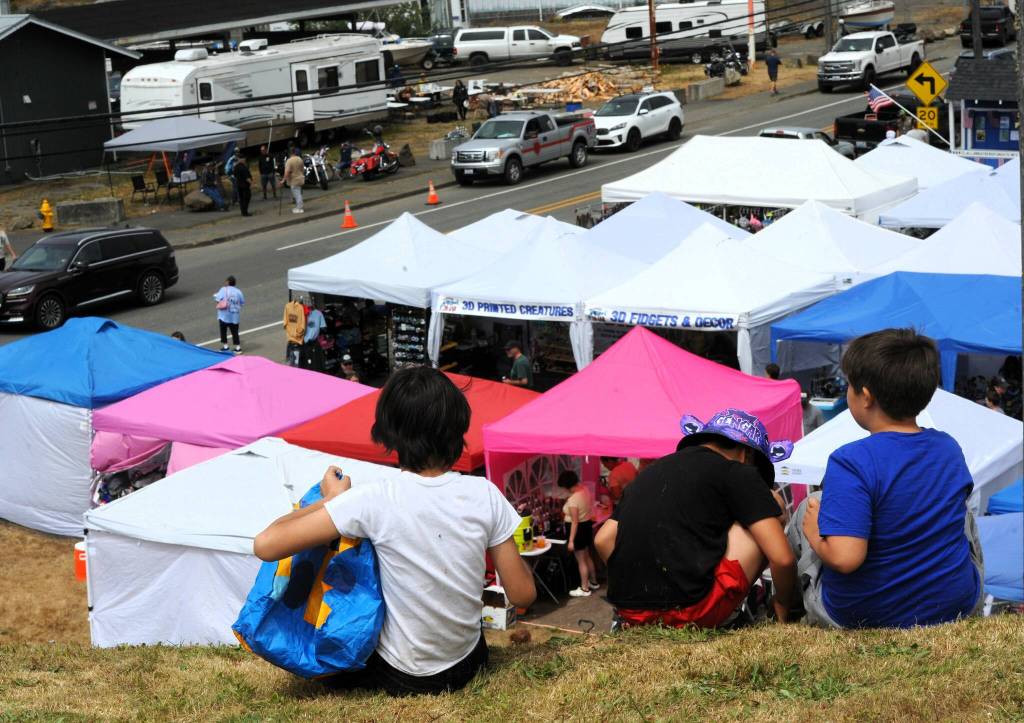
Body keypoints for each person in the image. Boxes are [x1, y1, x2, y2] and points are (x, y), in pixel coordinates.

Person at [253, 367, 536, 696]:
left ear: (388, 435)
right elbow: (523, 595)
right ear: (459, 429)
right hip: (469, 663)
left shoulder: (376, 498)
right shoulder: (485, 494)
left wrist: (331, 500)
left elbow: (266, 545)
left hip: (406, 676)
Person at [788, 329, 984, 629]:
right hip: (953, 605)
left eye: (849, 386)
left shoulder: (850, 461)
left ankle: (784, 606)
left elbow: (845, 558)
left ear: (865, 397)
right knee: (963, 514)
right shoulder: (949, 448)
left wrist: (815, 533)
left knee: (813, 505)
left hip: (862, 614)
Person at [595, 409, 797, 629]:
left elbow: (603, 540)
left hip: (631, 611)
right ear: (747, 454)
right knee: (772, 509)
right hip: (692, 612)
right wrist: (783, 607)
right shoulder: (737, 471)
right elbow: (783, 559)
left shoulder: (648, 473)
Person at [558, 470, 599, 598]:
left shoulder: (573, 500)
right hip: (586, 526)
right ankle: (594, 582)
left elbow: (575, 522)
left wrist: (571, 541)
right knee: (587, 556)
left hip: (578, 530)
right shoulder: (584, 490)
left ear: (567, 486)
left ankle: (584, 588)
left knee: (581, 560)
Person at [213, 275, 245, 354]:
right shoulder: (238, 291)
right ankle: (238, 348)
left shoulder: (223, 289)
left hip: (224, 315)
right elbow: (242, 302)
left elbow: (217, 299)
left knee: (223, 331)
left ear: (227, 282)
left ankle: (226, 346)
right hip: (234, 316)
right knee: (235, 331)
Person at [281, 147, 305, 214]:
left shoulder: (289, 161)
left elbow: (287, 172)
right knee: (298, 193)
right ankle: (299, 206)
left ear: (289, 153)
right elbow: (302, 169)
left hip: (294, 179)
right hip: (300, 178)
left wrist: (283, 180)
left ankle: (299, 208)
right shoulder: (299, 159)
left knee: (297, 194)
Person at [232, 152, 253, 217]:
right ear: (241, 159)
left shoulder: (236, 167)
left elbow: (234, 175)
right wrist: (252, 183)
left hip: (239, 185)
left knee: (241, 199)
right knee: (246, 199)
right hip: (245, 185)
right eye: (244, 159)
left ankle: (243, 212)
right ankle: (245, 212)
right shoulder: (243, 167)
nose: (244, 160)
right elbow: (247, 177)